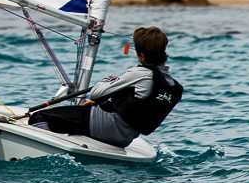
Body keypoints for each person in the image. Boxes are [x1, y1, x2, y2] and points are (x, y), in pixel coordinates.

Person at [27, 26, 183, 147]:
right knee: (75, 117)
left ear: (141, 55)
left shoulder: (141, 73)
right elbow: (137, 106)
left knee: (38, 118)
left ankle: (47, 153)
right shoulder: (172, 85)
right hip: (125, 138)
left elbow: (95, 93)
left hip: (104, 127)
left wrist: (108, 79)